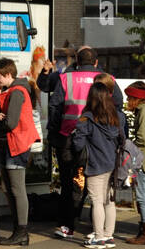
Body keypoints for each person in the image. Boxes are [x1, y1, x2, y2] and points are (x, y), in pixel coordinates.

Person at [48, 46, 123, 238]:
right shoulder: (108, 79)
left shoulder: (66, 78)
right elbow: (118, 108)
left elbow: (55, 107)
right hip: (98, 140)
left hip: (68, 137)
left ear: (77, 62)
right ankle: (94, 227)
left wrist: (56, 134)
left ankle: (68, 225)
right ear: (97, 62)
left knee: (69, 182)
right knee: (95, 184)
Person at [70, 81, 123, 248]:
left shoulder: (87, 118)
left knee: (97, 200)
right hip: (112, 163)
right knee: (109, 200)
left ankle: (99, 237)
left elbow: (78, 144)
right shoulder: (115, 116)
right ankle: (108, 236)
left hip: (94, 164)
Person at [0, 57, 37, 246]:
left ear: (8, 74)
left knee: (17, 189)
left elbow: (11, 123)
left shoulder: (17, 92)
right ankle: (19, 230)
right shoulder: (13, 91)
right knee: (9, 188)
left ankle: (21, 231)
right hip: (11, 144)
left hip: (16, 144)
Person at [124, 81, 145, 245]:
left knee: (143, 197)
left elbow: (144, 138)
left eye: (130, 97)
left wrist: (129, 148)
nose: (128, 100)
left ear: (136, 98)